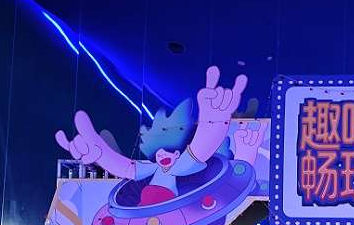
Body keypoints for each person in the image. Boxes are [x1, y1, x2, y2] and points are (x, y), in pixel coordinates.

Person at [56, 66, 258, 205]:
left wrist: (214, 123)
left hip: (164, 201)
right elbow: (128, 168)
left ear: (177, 154)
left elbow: (198, 152)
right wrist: (101, 154)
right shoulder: (153, 168)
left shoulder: (180, 166)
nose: (162, 156)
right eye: (159, 153)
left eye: (166, 152)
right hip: (149, 204)